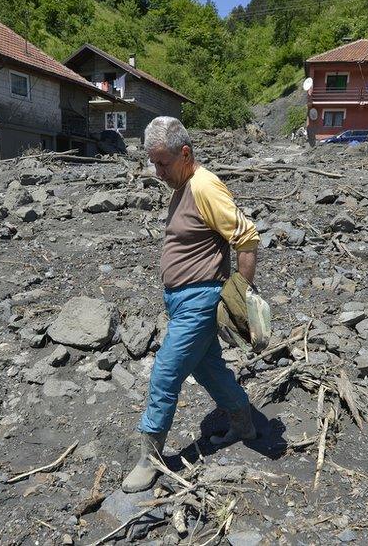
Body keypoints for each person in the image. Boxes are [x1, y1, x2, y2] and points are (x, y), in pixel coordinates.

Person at [122, 116, 260, 493]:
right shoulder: (183, 184)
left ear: (185, 153)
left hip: (200, 300)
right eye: (153, 162)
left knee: (165, 374)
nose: (157, 171)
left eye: (162, 162)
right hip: (181, 300)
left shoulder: (204, 185)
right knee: (209, 368)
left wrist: (240, 294)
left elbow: (246, 238)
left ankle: (149, 460)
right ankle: (244, 424)